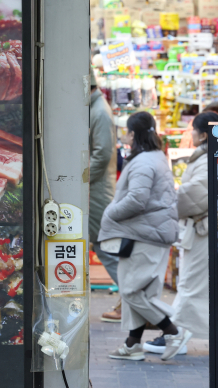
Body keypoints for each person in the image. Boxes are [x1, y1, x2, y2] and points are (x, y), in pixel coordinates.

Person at [99, 112, 191, 361]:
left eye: (126, 131)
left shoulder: (142, 162)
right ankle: (132, 345)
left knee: (130, 291)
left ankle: (174, 330)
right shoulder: (155, 157)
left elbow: (136, 200)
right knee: (142, 294)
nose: (124, 135)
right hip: (153, 233)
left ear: (133, 134)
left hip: (144, 235)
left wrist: (109, 212)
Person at [143, 112, 218, 355]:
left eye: (193, 130)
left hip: (202, 231)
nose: (191, 134)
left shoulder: (207, 158)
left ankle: (176, 336)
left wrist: (168, 201)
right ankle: (180, 335)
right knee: (194, 285)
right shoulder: (210, 155)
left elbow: (196, 194)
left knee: (190, 285)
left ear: (204, 134)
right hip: (202, 229)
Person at [89, 69, 121, 322]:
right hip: (94, 187)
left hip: (96, 190)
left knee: (105, 246)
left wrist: (77, 180)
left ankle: (132, 301)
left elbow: (101, 154)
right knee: (104, 245)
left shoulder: (99, 111)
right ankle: (130, 301)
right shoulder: (95, 108)